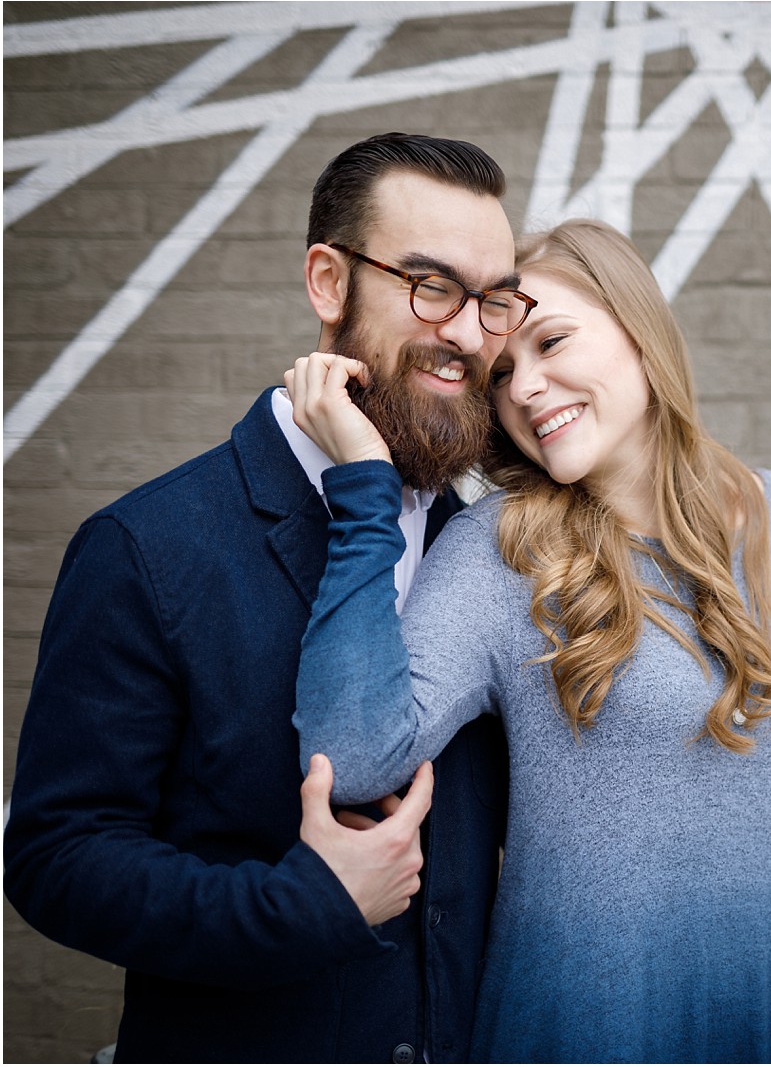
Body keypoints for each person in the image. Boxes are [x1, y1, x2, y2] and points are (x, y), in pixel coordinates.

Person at [288, 218, 771, 1062]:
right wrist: (364, 491)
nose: (526, 387)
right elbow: (352, 755)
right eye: (502, 373)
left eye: (552, 340)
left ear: (639, 330)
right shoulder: (500, 550)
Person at [3, 132, 526, 1063]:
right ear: (329, 283)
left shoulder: (493, 546)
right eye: (430, 285)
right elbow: (55, 858)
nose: (466, 332)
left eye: (492, 299)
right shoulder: (148, 547)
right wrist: (298, 906)